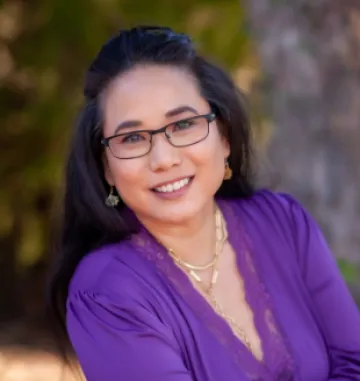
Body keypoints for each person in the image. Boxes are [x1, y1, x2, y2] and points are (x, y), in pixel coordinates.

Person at [48, 26, 360, 381]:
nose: (163, 159)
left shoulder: (283, 223)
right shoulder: (107, 293)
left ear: (224, 137)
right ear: (106, 167)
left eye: (182, 125)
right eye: (132, 137)